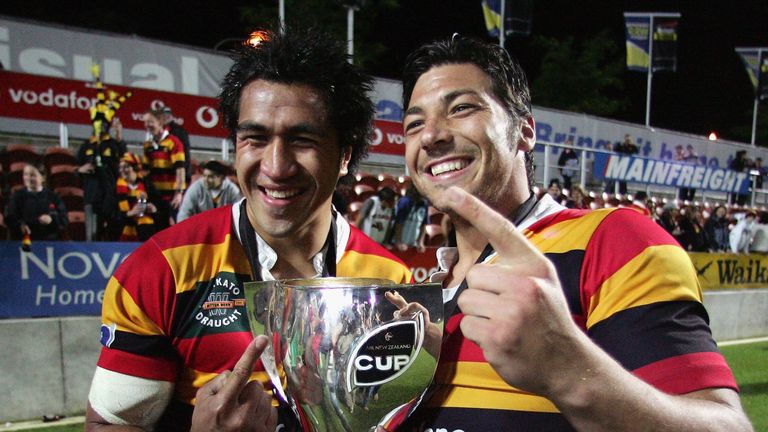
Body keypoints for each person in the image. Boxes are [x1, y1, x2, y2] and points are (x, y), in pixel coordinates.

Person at [395, 35, 751, 431]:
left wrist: (567, 369)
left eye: (461, 108)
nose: (431, 136)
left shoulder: (614, 239)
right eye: (414, 124)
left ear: (525, 131)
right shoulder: (421, 285)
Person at [85, 26, 412, 432]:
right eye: (255, 138)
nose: (275, 167)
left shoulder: (391, 283)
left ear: (345, 154)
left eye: (302, 139)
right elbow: (107, 426)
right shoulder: (160, 270)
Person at [76, 117, 125, 239]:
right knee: (92, 233)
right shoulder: (86, 145)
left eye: (104, 124)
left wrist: (119, 136)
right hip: (92, 195)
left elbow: (124, 157)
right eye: (98, 123)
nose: (101, 126)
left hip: (111, 194)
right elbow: (75, 168)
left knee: (112, 229)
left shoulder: (114, 144)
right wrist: (80, 169)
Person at [142, 108, 187, 231]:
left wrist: (179, 193)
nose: (147, 125)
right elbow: (145, 172)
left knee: (172, 230)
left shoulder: (174, 142)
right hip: (155, 197)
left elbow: (180, 169)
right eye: (145, 122)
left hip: (172, 197)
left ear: (160, 121)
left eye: (150, 121)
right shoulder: (147, 146)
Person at [5, 162, 68, 242]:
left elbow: (64, 220)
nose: (28, 178)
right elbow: (10, 217)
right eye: (26, 174)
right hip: (23, 241)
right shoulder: (17, 197)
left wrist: (51, 220)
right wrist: (20, 225)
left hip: (49, 243)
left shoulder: (53, 197)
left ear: (43, 177)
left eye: (32, 175)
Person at [112, 152, 159, 242]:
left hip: (144, 229)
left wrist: (154, 210)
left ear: (135, 168)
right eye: (120, 167)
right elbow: (109, 212)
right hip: (122, 228)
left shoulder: (147, 185)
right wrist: (129, 213)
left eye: (125, 167)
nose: (121, 170)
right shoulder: (115, 187)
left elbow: (158, 205)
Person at [176, 160, 242, 222]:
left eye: (210, 177)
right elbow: (184, 214)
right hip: (202, 227)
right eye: (204, 176)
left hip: (224, 228)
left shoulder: (232, 190)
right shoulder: (196, 188)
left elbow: (239, 214)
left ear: (221, 177)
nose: (205, 179)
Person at [392, 183, 430, 252]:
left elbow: (423, 225)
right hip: (398, 244)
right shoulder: (405, 201)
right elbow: (399, 223)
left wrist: (420, 242)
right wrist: (398, 242)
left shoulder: (424, 204)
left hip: (412, 244)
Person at [162, 106, 193, 187]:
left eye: (168, 115)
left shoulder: (179, 131)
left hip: (177, 173)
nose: (166, 117)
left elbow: (185, 152)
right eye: (163, 115)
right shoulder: (160, 132)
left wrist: (185, 173)